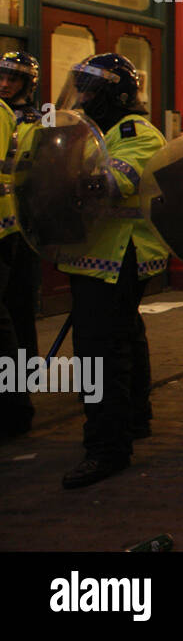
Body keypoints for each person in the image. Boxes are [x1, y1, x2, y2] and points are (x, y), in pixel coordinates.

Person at [50, 54, 168, 488]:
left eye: (88, 90)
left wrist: (64, 177)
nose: (80, 98)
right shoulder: (95, 131)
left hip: (118, 255)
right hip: (95, 254)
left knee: (99, 353)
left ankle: (106, 447)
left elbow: (110, 181)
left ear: (112, 95)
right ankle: (135, 417)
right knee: (125, 339)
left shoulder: (135, 133)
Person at [0, 52, 35, 438]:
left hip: (22, 230)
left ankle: (20, 393)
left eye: (14, 79)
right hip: (11, 226)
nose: (6, 83)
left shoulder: (37, 121)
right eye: (2, 76)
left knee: (19, 313)